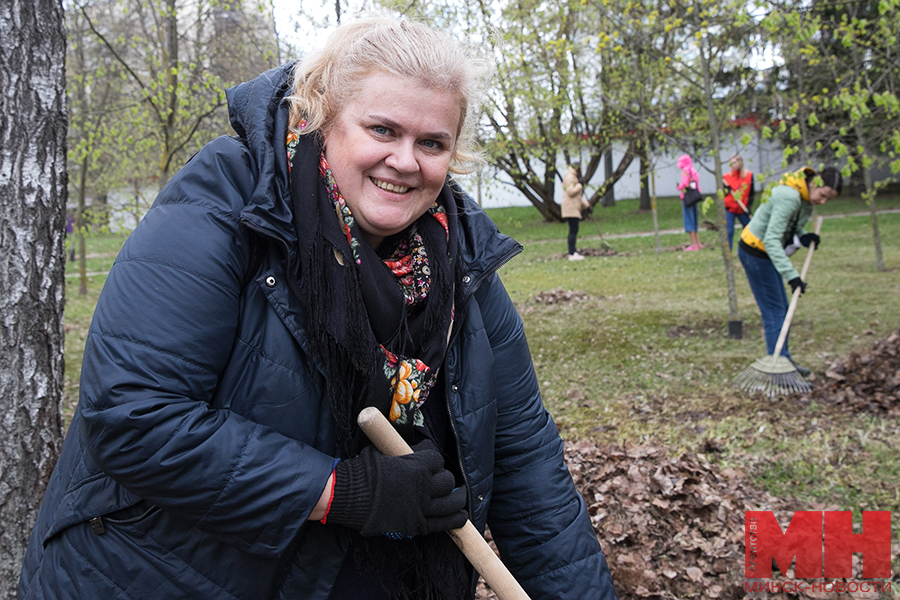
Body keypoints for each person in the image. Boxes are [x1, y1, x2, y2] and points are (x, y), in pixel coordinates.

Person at [19, 14, 618, 600]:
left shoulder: (461, 260)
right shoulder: (225, 206)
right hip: (161, 572)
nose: (406, 161)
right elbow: (134, 416)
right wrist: (341, 490)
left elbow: (527, 463)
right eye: (382, 130)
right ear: (320, 119)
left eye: (431, 142)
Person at [738, 166, 842, 376]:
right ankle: (779, 371)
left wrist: (803, 235)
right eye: (822, 196)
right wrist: (792, 276)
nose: (822, 202)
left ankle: (783, 359)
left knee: (783, 309)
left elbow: (789, 224)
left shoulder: (803, 196)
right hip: (756, 253)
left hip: (766, 253)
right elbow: (771, 240)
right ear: (814, 183)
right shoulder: (790, 197)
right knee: (775, 312)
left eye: (827, 200)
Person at [722, 154, 754, 251]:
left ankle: (750, 250)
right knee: (729, 231)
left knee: (749, 230)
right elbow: (723, 194)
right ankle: (728, 253)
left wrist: (748, 206)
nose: (733, 164)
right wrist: (726, 189)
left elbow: (751, 193)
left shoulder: (749, 176)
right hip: (730, 208)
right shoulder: (726, 178)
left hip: (743, 208)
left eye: (735, 162)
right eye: (731, 163)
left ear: (740, 162)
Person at [562, 162, 590, 261]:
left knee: (574, 229)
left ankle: (573, 251)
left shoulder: (573, 176)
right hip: (570, 208)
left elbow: (577, 197)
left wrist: (587, 206)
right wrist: (579, 186)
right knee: (573, 230)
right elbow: (570, 192)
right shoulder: (570, 177)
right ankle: (571, 253)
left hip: (573, 207)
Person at [676, 154, 702, 251]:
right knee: (694, 219)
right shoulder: (693, 170)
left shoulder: (686, 170)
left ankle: (694, 245)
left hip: (687, 198)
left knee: (689, 220)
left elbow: (684, 183)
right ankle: (698, 243)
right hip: (694, 197)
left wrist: (679, 188)